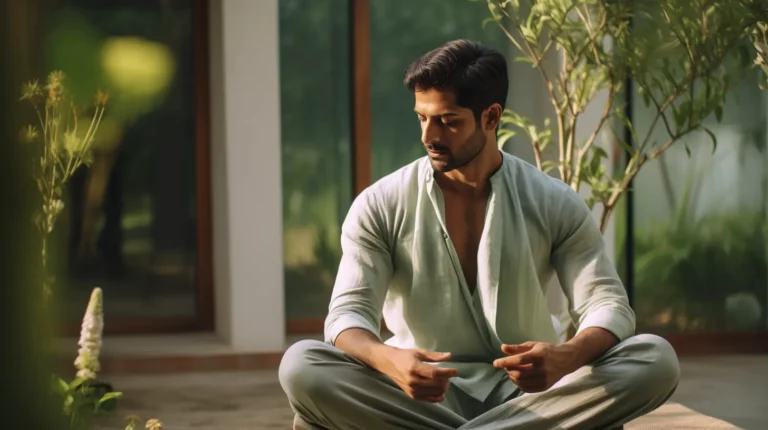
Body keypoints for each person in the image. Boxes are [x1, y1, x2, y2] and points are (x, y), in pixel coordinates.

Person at [279, 39, 680, 430]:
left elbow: (607, 304)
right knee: (303, 366)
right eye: (422, 117)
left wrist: (567, 355)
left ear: (490, 117)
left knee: (654, 358)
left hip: (529, 394)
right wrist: (389, 360)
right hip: (419, 390)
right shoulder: (381, 203)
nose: (428, 136)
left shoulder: (553, 201)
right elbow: (347, 316)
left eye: (448, 121)